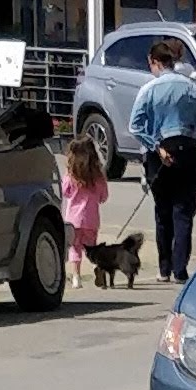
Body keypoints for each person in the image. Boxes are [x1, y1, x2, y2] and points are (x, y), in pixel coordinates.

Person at [130, 34, 196, 283]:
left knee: (162, 212)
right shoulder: (192, 87)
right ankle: (180, 270)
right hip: (188, 151)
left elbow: (134, 126)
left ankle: (163, 269)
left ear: (154, 61)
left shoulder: (148, 89)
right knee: (183, 213)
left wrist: (155, 145)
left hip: (159, 154)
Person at [58, 121, 109, 284]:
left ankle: (76, 276)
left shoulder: (71, 175)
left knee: (75, 247)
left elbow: (65, 192)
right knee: (92, 248)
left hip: (73, 219)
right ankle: (98, 268)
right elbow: (103, 197)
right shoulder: (98, 177)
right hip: (91, 219)